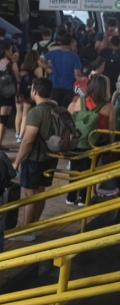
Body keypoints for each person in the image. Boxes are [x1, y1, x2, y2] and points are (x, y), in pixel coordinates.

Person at [12, 78, 59, 240]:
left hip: (34, 159)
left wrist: (17, 161)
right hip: (50, 158)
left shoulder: (35, 112)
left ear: (34, 91)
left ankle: (26, 232)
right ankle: (34, 226)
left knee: (30, 195)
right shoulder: (56, 108)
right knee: (40, 192)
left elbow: (27, 140)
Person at [67, 74, 115, 206]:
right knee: (89, 170)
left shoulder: (80, 101)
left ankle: (70, 196)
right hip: (95, 144)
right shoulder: (108, 106)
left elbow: (73, 121)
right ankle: (83, 198)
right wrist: (110, 146)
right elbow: (111, 130)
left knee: (74, 168)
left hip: (77, 141)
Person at [0, 43, 20, 150]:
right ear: (5, 51)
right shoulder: (12, 64)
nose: (12, 53)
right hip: (7, 95)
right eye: (10, 50)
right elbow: (18, 79)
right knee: (3, 120)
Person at [43, 34, 82, 108]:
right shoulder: (75, 57)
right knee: (67, 111)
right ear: (71, 43)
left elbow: (39, 60)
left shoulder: (52, 53)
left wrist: (47, 68)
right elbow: (77, 75)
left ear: (60, 42)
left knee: (54, 110)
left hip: (55, 87)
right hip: (69, 88)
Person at [17, 51, 44, 143]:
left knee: (24, 116)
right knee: (35, 117)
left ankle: (20, 136)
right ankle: (33, 136)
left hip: (23, 93)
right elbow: (41, 82)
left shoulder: (23, 66)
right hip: (33, 94)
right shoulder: (38, 68)